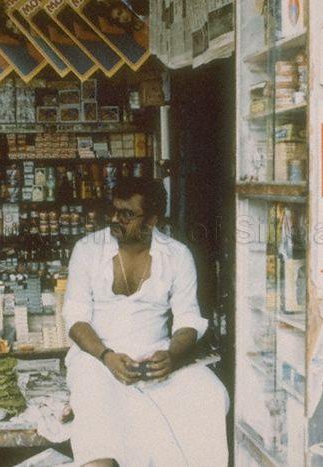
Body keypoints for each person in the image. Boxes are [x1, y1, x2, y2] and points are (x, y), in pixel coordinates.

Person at [63, 178, 229, 466]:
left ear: (152, 220)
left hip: (154, 357)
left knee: (210, 394)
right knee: (95, 413)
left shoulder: (176, 255)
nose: (116, 219)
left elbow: (188, 319)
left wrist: (171, 356)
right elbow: (75, 318)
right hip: (96, 358)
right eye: (114, 211)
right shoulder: (87, 250)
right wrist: (107, 356)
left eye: (127, 214)